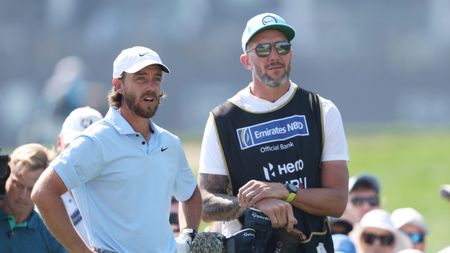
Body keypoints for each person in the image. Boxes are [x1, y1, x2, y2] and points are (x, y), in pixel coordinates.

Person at [198, 12, 349, 252]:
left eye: (282, 47)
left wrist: (286, 191)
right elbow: (205, 204)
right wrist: (254, 204)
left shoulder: (321, 110)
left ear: (291, 54)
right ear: (246, 61)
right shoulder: (223, 119)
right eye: (263, 50)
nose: (274, 56)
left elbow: (337, 201)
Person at [31, 46, 202, 253]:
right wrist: (82, 251)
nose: (151, 86)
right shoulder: (96, 140)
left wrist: (188, 235)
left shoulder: (170, 143)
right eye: (140, 78)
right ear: (118, 85)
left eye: (156, 79)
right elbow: (43, 192)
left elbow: (190, 194)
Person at [0, 143, 66, 253]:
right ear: (6, 176)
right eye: (18, 185)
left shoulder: (52, 233)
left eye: (31, 189)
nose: (23, 196)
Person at [57, 106, 103, 243]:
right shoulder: (30, 189)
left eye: (89, 149)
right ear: (59, 143)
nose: (80, 157)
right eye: (72, 147)